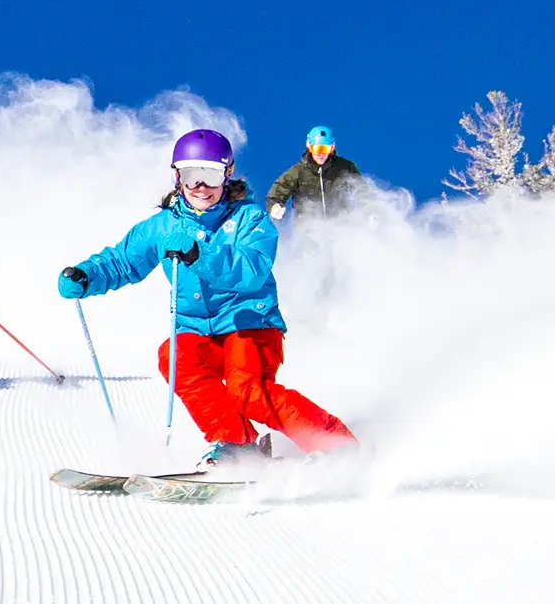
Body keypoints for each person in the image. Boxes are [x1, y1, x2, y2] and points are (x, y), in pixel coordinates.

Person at [56, 128, 356, 465]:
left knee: (247, 392)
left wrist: (201, 254)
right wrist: (87, 275)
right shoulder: (163, 226)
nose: (201, 186)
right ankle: (236, 444)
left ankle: (336, 446)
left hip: (249, 324)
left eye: (210, 175)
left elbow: (251, 269)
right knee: (174, 354)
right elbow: (123, 261)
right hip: (198, 330)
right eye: (191, 175)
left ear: (227, 175)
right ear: (177, 177)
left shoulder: (249, 219)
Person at [263, 125, 364, 221]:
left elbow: (362, 189)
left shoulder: (344, 167)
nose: (321, 154)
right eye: (317, 149)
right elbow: (278, 191)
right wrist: (274, 206)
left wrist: (369, 208)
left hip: (339, 224)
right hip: (308, 229)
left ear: (332, 147)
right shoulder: (298, 171)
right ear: (309, 146)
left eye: (325, 149)